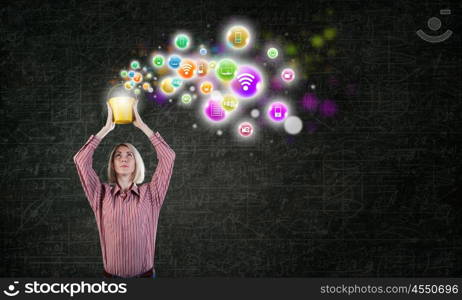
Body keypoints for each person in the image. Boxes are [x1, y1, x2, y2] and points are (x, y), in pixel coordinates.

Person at [73, 99, 175, 278]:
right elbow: (80, 160)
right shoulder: (100, 194)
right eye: (118, 155)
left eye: (129, 155)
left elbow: (168, 157)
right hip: (111, 281)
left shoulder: (152, 194)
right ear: (112, 164)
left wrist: (142, 125)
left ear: (136, 163)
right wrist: (106, 129)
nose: (124, 159)